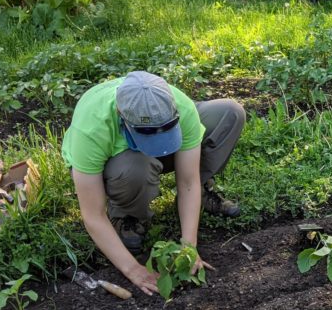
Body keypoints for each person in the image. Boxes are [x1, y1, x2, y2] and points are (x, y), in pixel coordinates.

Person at [61, 71, 246, 296]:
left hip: (153, 145)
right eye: (149, 135)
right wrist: (134, 270)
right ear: (122, 116)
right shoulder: (91, 129)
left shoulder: (181, 108)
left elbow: (188, 182)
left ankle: (203, 195)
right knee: (137, 166)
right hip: (122, 163)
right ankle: (126, 215)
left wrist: (189, 247)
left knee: (230, 112)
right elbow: (93, 215)